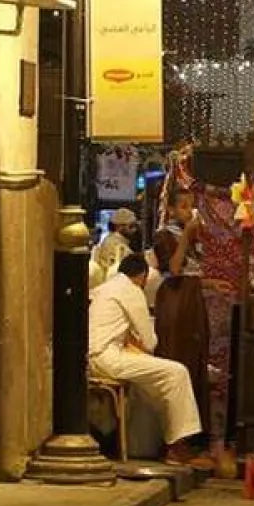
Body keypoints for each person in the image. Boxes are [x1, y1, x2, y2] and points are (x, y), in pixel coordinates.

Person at [88, 255, 211, 467]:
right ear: (142, 277)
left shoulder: (105, 288)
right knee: (176, 372)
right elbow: (150, 341)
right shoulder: (131, 290)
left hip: (96, 356)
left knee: (157, 379)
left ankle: (169, 439)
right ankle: (177, 446)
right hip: (108, 357)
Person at [153, 190, 210, 438]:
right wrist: (186, 235)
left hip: (192, 299)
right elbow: (175, 269)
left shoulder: (194, 238)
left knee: (195, 359)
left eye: (192, 206)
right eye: (184, 207)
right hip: (176, 302)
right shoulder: (164, 236)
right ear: (173, 210)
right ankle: (174, 436)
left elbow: (193, 273)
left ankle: (193, 434)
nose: (189, 211)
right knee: (178, 357)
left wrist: (213, 284)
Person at [90, 207, 139, 289]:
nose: (134, 230)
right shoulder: (114, 244)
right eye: (131, 226)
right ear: (119, 227)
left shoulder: (117, 242)